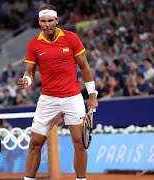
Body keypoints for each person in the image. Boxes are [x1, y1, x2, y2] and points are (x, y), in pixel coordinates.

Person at [18, 4, 98, 180]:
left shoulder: (71, 38)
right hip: (48, 99)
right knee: (35, 143)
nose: (47, 24)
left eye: (50, 21)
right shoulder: (34, 44)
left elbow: (84, 67)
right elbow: (30, 72)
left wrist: (92, 95)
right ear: (39, 22)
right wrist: (27, 81)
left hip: (73, 98)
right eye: (44, 21)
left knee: (80, 143)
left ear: (57, 20)